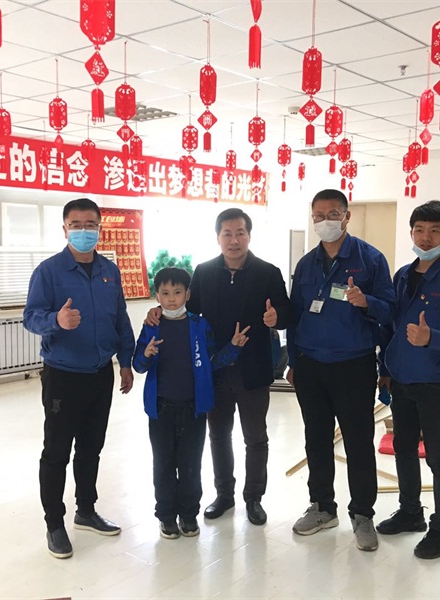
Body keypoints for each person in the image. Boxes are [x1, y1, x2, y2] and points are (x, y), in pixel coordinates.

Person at [146, 207, 291, 526]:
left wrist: (276, 317)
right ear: (217, 237)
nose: (234, 240)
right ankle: (224, 495)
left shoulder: (268, 272)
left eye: (240, 233)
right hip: (213, 370)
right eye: (227, 234)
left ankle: (254, 498)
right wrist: (157, 311)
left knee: (255, 437)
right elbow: (186, 310)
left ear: (249, 236)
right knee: (219, 435)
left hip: (253, 369)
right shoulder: (204, 272)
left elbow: (286, 311)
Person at [24, 197, 135, 559]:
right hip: (63, 376)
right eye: (76, 225)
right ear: (65, 229)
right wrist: (55, 320)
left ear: (100, 229)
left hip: (100, 374)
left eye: (90, 225)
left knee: (91, 448)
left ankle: (85, 511)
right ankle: (54, 524)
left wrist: (125, 361)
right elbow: (30, 317)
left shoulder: (109, 271)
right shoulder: (49, 272)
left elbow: (120, 318)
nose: (84, 231)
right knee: (57, 452)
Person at [286, 189, 395, 552]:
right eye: (318, 215)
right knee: (316, 439)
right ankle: (322, 507)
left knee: (358, 442)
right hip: (311, 366)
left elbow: (390, 312)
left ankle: (362, 514)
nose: (325, 221)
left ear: (346, 217)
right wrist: (293, 361)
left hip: (353, 365)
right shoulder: (306, 264)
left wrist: (367, 302)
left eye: (332, 214)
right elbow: (296, 316)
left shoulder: (370, 260)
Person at [376, 200, 440, 560]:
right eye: (419, 230)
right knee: (404, 448)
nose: (425, 237)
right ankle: (410, 513)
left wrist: (431, 337)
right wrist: (384, 370)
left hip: (435, 380)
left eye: (434, 231)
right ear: (411, 232)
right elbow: (390, 327)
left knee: (438, 456)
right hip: (402, 378)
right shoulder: (403, 276)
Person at [133, 267, 249, 539]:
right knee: (163, 464)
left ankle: (188, 514)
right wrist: (147, 354)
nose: (171, 299)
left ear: (188, 294)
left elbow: (212, 362)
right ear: (157, 296)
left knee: (190, 464)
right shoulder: (152, 325)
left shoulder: (199, 325)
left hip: (193, 409)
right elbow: (138, 365)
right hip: (161, 409)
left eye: (177, 292)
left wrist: (233, 348)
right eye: (165, 293)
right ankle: (166, 516)